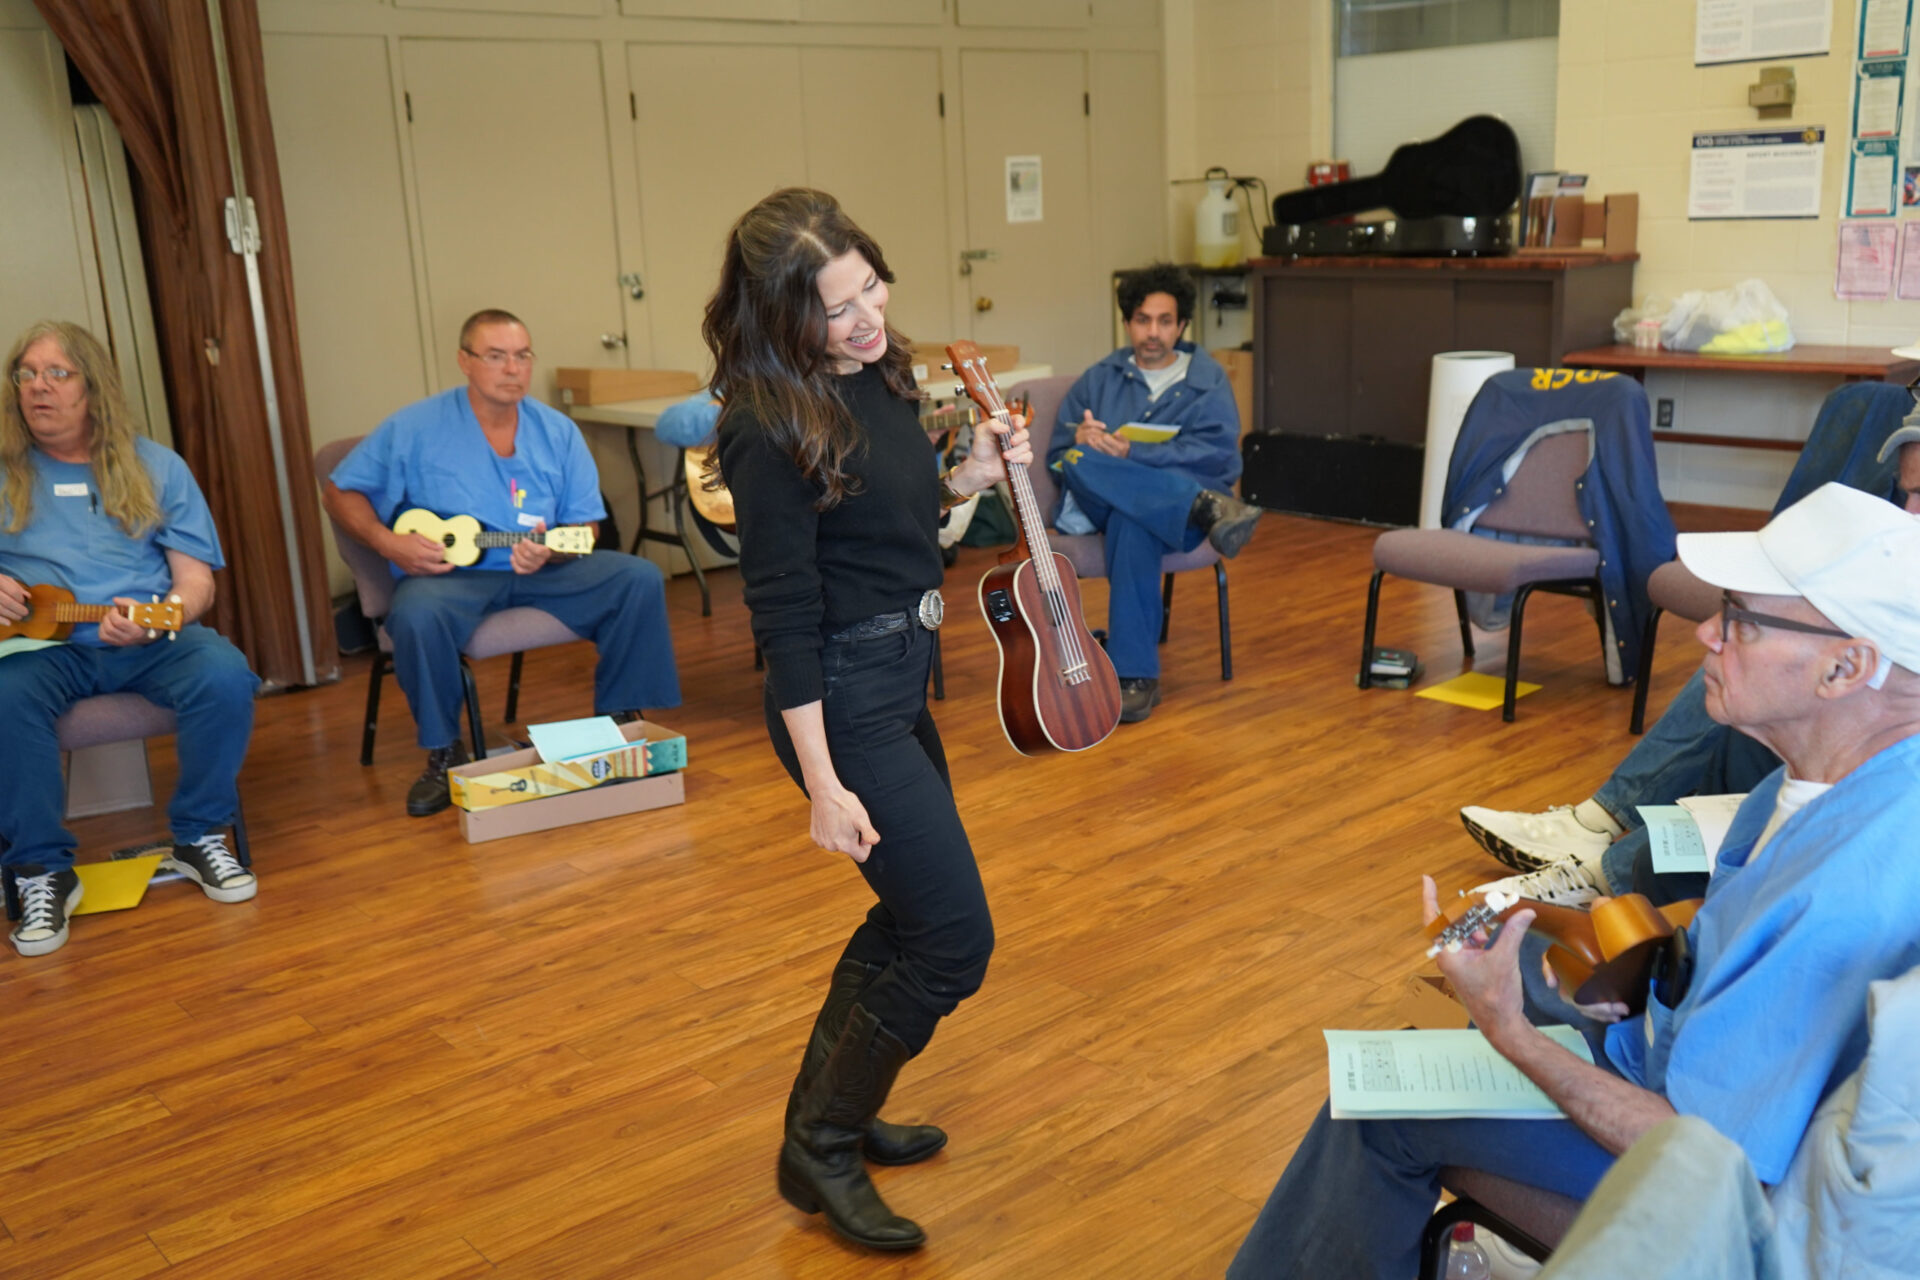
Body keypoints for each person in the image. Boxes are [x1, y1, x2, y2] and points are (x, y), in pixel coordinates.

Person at [1228, 482, 1920, 1279]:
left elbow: (1710, 1163)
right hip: (1676, 1067)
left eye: (1741, 620)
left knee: (1381, 1107)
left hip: (1715, 1190)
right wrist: (1633, 986)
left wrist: (1512, 1036)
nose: (1706, 632)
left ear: (1846, 667)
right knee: (1490, 980)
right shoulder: (1829, 784)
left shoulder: (1839, 895)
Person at [706, 188, 1029, 1252]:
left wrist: (969, 477)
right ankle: (825, 1143)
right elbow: (784, 616)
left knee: (910, 916)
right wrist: (823, 783)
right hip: (841, 703)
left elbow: (888, 521)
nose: (866, 318)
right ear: (783, 315)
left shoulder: (881, 376)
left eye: (871, 289)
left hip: (901, 678)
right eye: (836, 308)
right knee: (955, 940)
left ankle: (827, 1118)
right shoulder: (764, 424)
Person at [1459, 428, 1920, 910]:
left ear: (1848, 667)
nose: (1907, 514)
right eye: (1904, 491)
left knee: (1752, 685)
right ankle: (1602, 849)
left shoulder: (1861, 886)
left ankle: (1601, 870)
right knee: (1743, 713)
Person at [322, 309, 681, 816]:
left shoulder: (557, 431)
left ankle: (619, 726)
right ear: (465, 361)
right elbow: (339, 491)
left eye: (522, 356)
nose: (512, 368)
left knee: (636, 577)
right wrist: (387, 542)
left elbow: (586, 528)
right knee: (417, 615)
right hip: (452, 577)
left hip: (543, 570)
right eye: (495, 356)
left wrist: (552, 548)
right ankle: (444, 753)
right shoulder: (415, 427)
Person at [0, 321, 259, 957]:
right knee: (5, 697)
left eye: (57, 374)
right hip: (40, 649)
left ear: (93, 387)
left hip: (147, 640)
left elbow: (196, 583)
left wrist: (160, 615)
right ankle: (41, 870)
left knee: (224, 673)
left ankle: (199, 835)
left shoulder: (158, 466)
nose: (38, 387)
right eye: (26, 374)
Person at [1048, 263, 1262, 722]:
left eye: (1165, 321)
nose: (1153, 332)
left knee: (1132, 521)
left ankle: (1135, 677)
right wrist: (1081, 440)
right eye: (1143, 320)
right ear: (1127, 322)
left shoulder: (1207, 380)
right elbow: (1058, 458)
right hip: (1151, 506)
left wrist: (1135, 455)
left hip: (1165, 519)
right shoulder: (1098, 378)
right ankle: (1204, 507)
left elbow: (1218, 457)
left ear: (1182, 325)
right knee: (1079, 458)